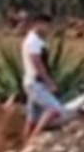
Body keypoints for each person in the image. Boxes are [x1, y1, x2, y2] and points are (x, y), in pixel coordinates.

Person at [22, 13, 64, 141]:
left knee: (33, 117)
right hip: (36, 83)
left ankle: (25, 142)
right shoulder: (33, 42)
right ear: (37, 24)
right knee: (55, 109)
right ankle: (34, 139)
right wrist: (49, 82)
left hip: (33, 82)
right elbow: (37, 63)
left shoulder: (35, 40)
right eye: (46, 25)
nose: (48, 29)